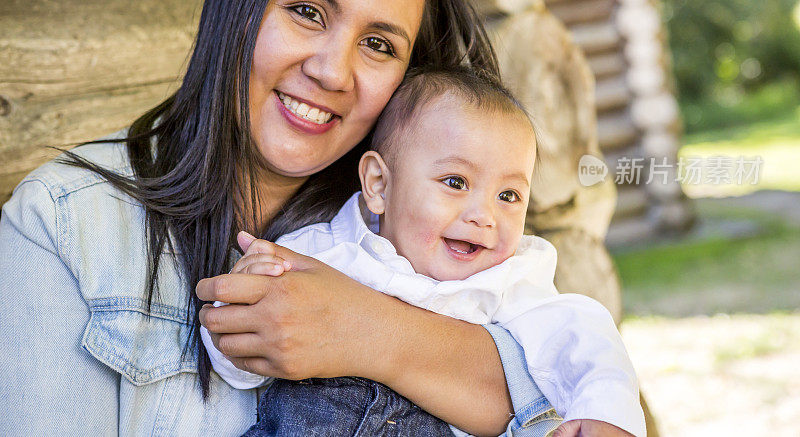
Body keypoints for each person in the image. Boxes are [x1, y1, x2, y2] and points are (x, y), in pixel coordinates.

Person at [0, 0, 634, 436]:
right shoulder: (64, 223)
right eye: (306, 11)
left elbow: (559, 387)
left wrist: (368, 330)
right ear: (238, 7)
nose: (333, 71)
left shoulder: (430, 237)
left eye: (380, 45)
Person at [201, 67, 645, 437]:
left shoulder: (510, 282)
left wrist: (608, 416)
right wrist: (241, 296)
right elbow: (240, 370)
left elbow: (584, 341)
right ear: (379, 184)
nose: (484, 215)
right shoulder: (320, 255)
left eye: (509, 196)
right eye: (456, 183)